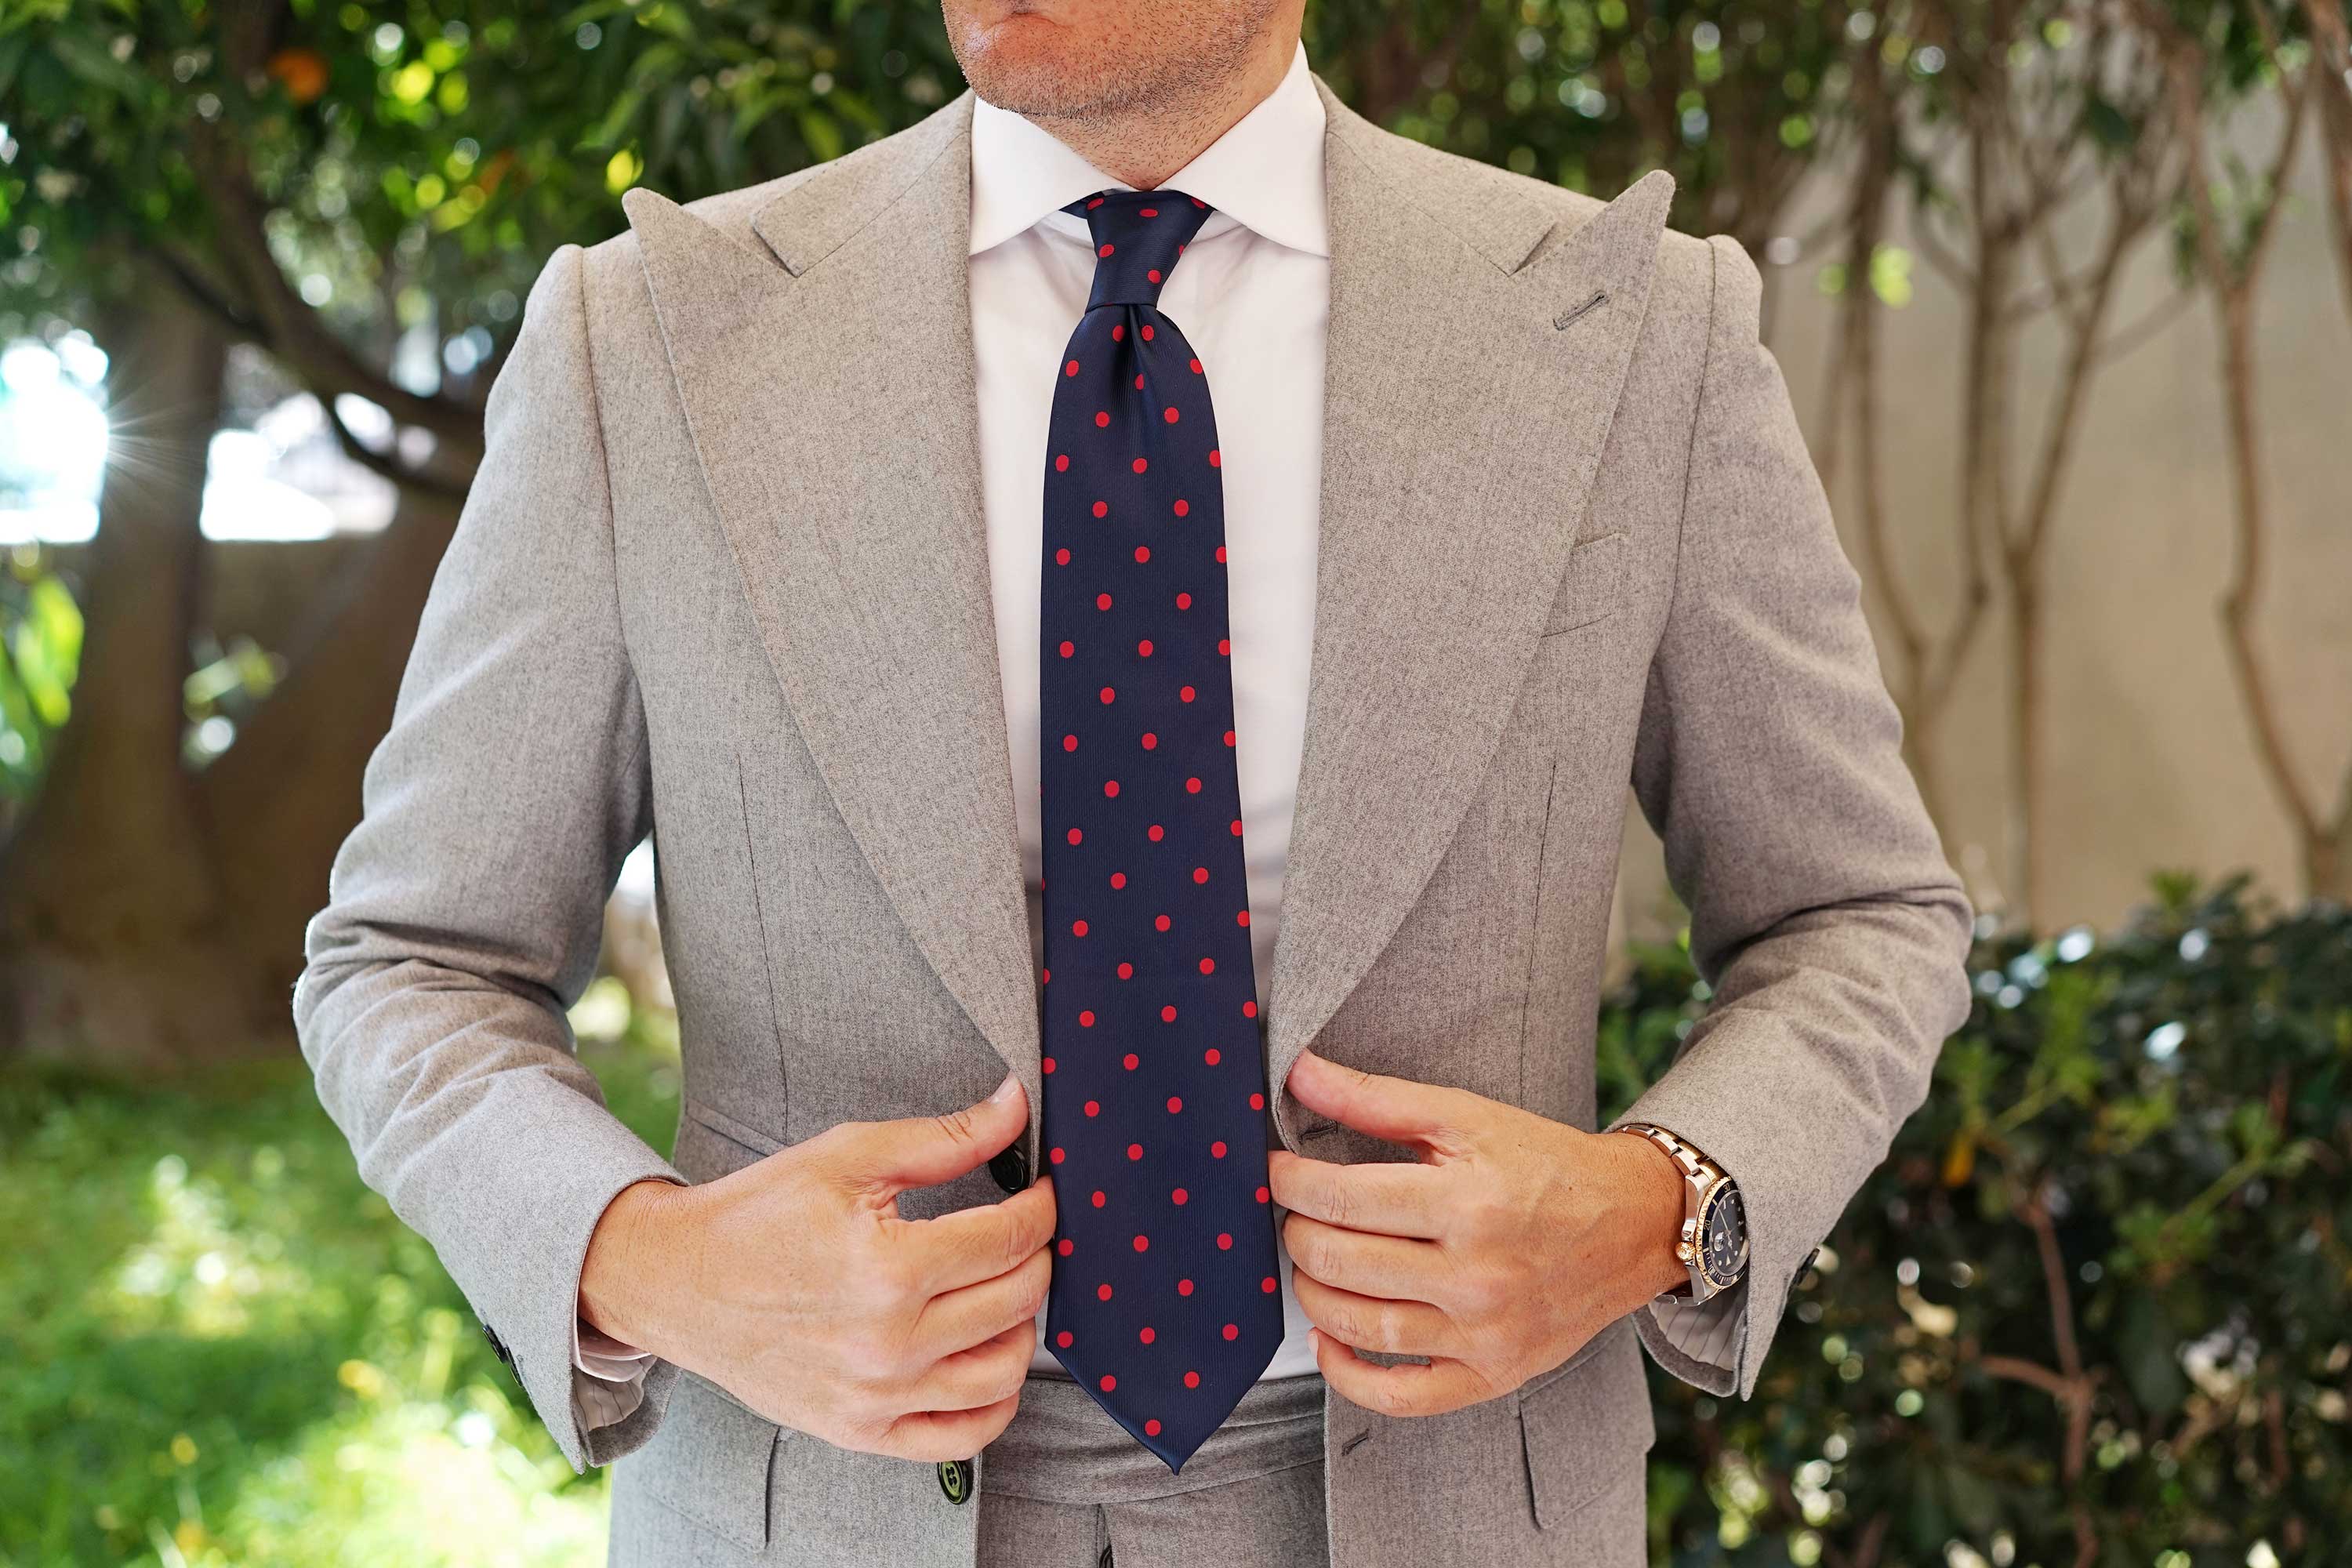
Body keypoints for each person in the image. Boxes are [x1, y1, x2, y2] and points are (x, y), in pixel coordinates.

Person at [292, 2, 1975, 1564]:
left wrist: (1652, 1207)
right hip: (809, 1508)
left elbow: (1860, 916)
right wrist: (651, 1263)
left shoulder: (1635, 334)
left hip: (1454, 1503)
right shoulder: (647, 340)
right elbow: (413, 962)